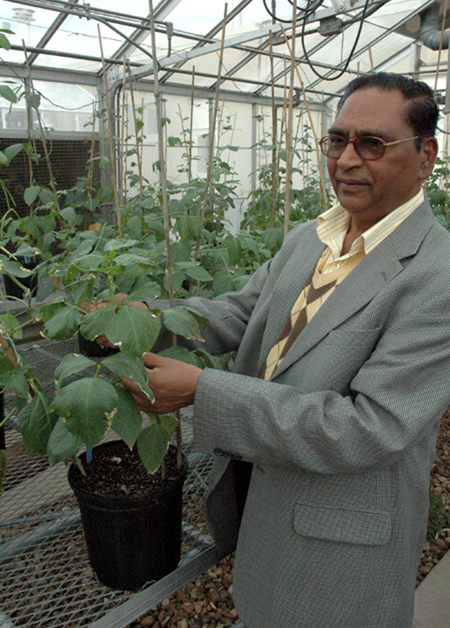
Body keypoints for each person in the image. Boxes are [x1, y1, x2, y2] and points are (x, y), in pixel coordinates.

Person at [88, 73, 450, 628]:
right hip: (267, 494)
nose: (347, 160)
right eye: (337, 140)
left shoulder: (436, 275)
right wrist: (145, 324)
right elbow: (240, 313)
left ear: (425, 155)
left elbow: (369, 428)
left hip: (340, 541)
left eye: (372, 144)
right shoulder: (312, 238)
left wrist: (202, 390)